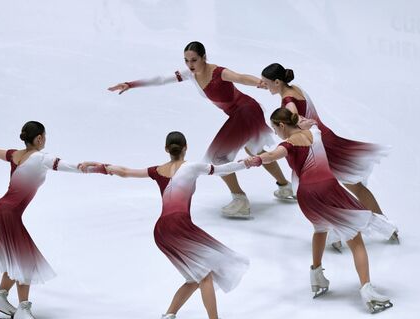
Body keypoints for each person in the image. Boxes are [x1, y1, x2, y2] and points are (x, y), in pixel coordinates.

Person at [108, 41, 293, 219]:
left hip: (246, 111)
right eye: (186, 61)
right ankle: (285, 186)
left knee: (218, 158)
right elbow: (161, 79)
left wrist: (259, 83)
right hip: (242, 113)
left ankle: (240, 199)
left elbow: (241, 77)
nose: (190, 64)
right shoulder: (189, 74)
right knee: (255, 150)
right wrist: (131, 84)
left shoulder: (219, 72)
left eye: (194, 60)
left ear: (204, 57)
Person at [105, 131, 249, 319]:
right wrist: (251, 162)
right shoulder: (191, 167)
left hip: (161, 230)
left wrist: (102, 167)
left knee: (194, 279)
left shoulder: (158, 171)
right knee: (206, 274)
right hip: (179, 226)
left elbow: (124, 172)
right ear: (185, 147)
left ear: (166, 149)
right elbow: (223, 169)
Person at [244, 108, 395, 313]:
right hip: (328, 190)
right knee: (355, 240)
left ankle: (316, 275)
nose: (275, 132)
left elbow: (271, 155)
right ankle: (367, 289)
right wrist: (307, 124)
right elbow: (313, 125)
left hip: (307, 195)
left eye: (274, 128)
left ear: (281, 125)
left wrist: (257, 159)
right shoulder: (315, 134)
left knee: (320, 229)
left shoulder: (287, 144)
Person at [0, 121, 106, 319]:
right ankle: (23, 311)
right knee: (24, 262)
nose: (45, 140)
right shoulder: (41, 158)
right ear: (39, 139)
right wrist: (100, 168)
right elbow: (76, 167)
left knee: (15, 260)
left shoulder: (14, 154)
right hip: (8, 215)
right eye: (44, 136)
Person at [260, 63, 398, 249]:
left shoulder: (288, 101)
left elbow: (293, 123)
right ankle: (362, 229)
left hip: (320, 149)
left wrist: (297, 129)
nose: (265, 86)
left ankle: (364, 229)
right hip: (325, 140)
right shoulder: (295, 88)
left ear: (277, 82)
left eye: (267, 83)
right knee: (346, 187)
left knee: (316, 191)